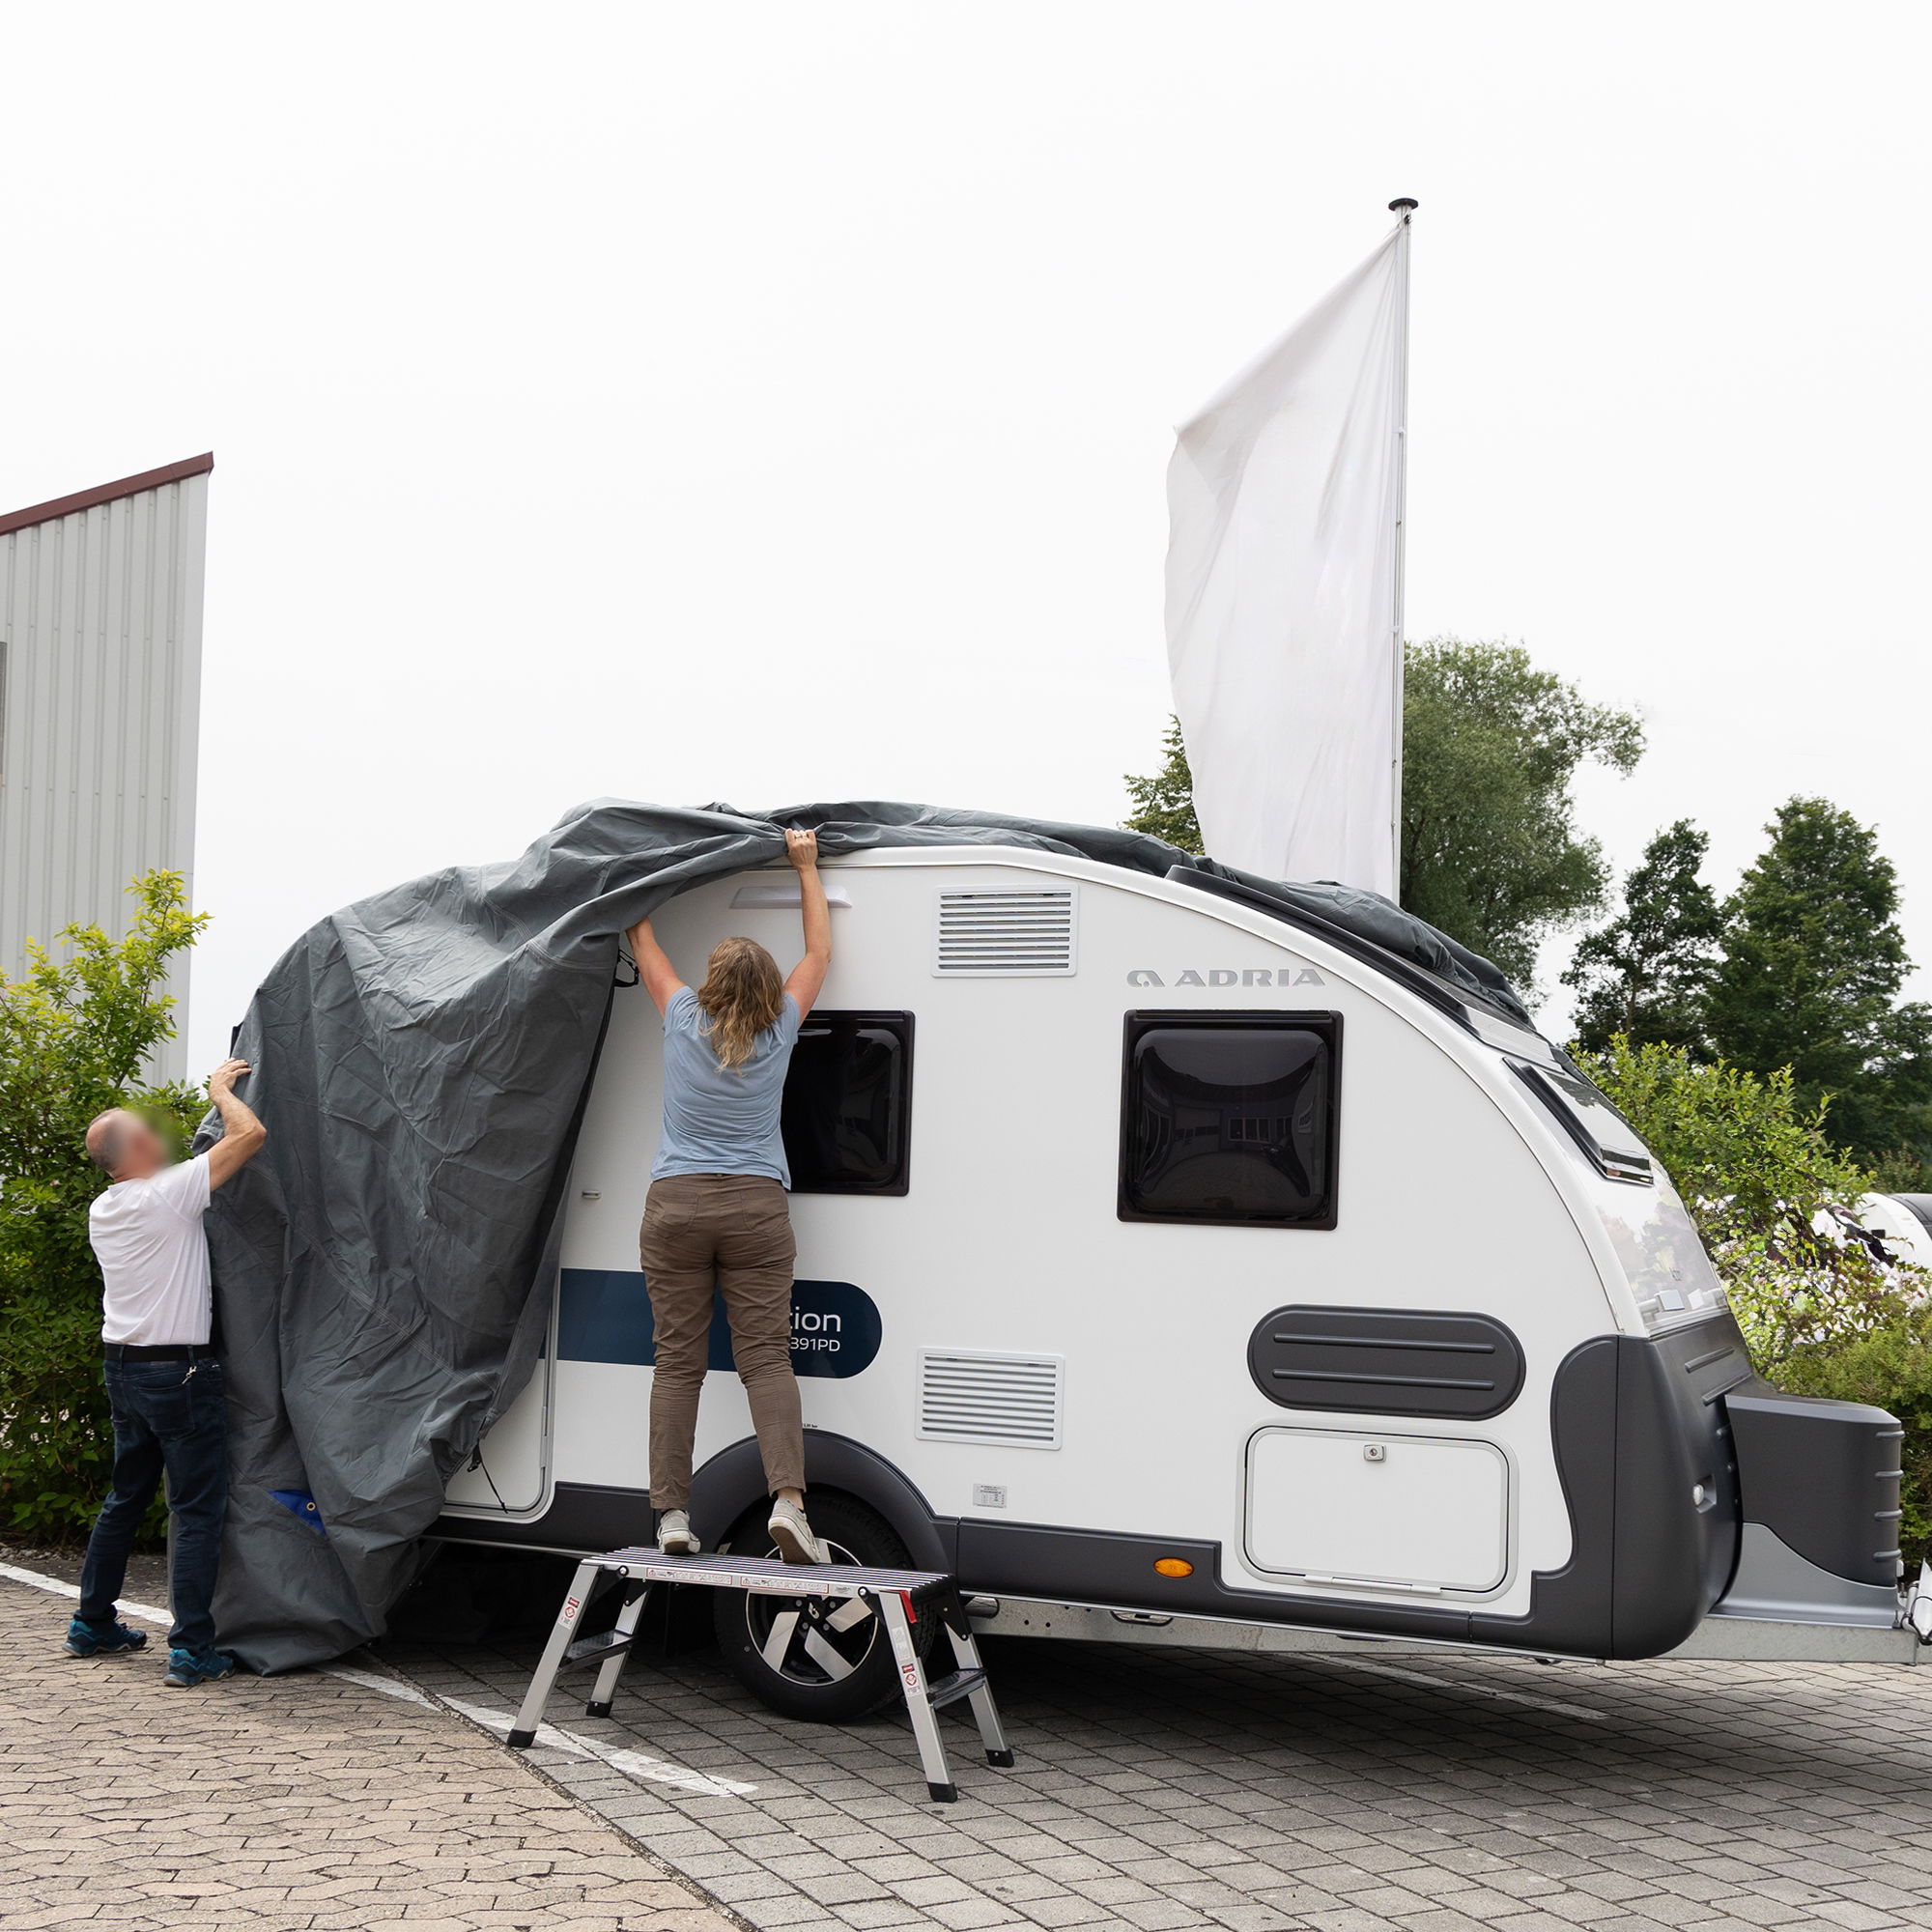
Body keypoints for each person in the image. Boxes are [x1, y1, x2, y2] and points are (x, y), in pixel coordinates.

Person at [625, 828, 832, 1564]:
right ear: (766, 989)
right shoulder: (781, 1027)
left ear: (711, 984)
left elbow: (642, 940)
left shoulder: (681, 1017)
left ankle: (672, 1517)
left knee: (677, 1364)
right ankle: (788, 1502)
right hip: (755, 1208)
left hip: (677, 1205)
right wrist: (806, 867)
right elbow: (819, 955)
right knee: (767, 1361)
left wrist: (637, 873)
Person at [69, 1061, 268, 1686]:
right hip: (178, 1375)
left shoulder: (105, 1209)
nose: (158, 1133)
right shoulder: (168, 1192)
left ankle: (92, 1622)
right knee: (197, 1508)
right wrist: (219, 1093)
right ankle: (190, 1650)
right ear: (137, 1149)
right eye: (146, 1129)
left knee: (125, 1499)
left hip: (123, 1371)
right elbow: (251, 1135)